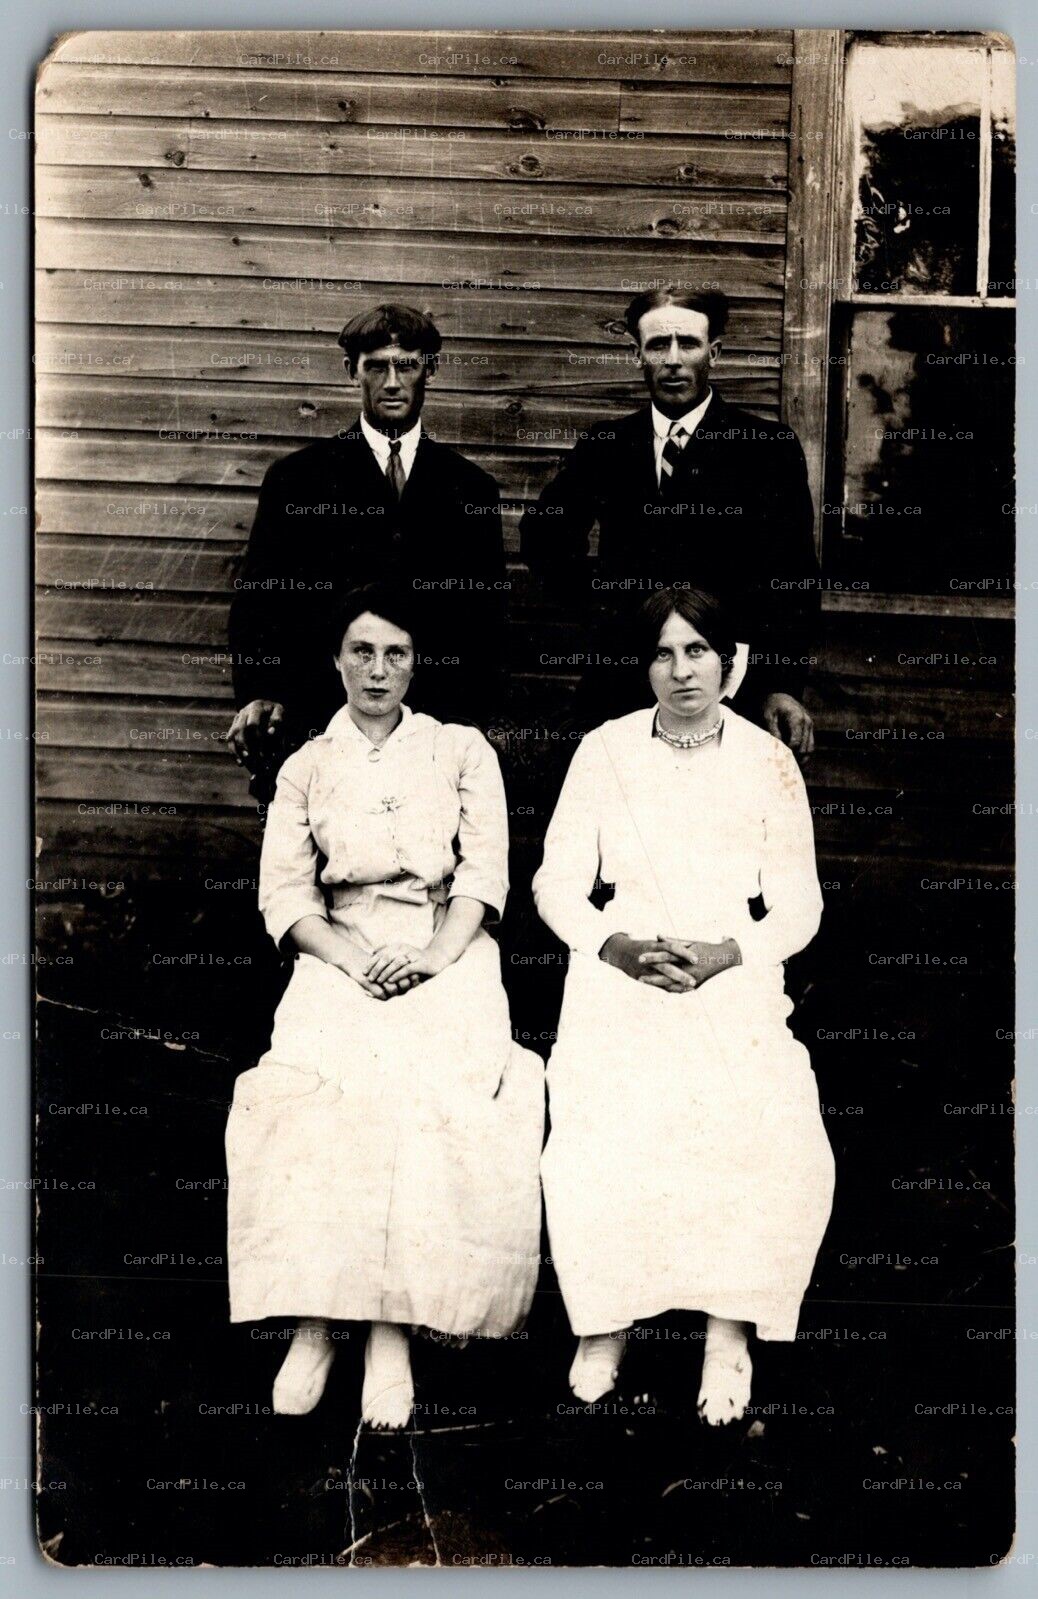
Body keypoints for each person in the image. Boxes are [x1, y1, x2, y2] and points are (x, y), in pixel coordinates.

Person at [225, 585, 544, 1428]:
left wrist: (436, 956)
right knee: (316, 1093)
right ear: (335, 659)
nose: (377, 670)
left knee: (422, 1087)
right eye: (361, 652)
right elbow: (285, 895)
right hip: (340, 950)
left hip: (449, 945)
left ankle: (392, 1328)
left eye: (395, 653)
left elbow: (485, 874)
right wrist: (351, 957)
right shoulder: (306, 764)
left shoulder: (461, 750)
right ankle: (316, 1319)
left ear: (416, 662)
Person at [532, 587, 834, 1423]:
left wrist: (728, 954)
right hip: (625, 970)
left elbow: (800, 906)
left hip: (730, 971)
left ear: (731, 663)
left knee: (762, 1121)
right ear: (645, 666)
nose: (681, 670)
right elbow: (555, 883)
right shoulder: (604, 750)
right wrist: (617, 947)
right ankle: (604, 1320)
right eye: (664, 653)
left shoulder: (767, 760)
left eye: (698, 650)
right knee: (599, 1122)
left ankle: (728, 1327)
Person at [519, 286, 819, 755]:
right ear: (638, 353)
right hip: (623, 682)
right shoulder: (607, 445)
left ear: (713, 352)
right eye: (658, 345)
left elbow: (794, 579)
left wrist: (780, 683)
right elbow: (543, 537)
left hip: (730, 685)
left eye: (689, 344)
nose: (674, 359)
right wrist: (610, 609)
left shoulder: (766, 448)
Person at [226, 303, 507, 798]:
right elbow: (259, 600)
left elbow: (486, 620)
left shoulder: (469, 488)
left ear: (431, 370)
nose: (392, 382)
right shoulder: (299, 481)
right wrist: (262, 692)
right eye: (376, 366)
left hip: (431, 727)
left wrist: (467, 726)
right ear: (351, 370)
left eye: (407, 365)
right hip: (317, 719)